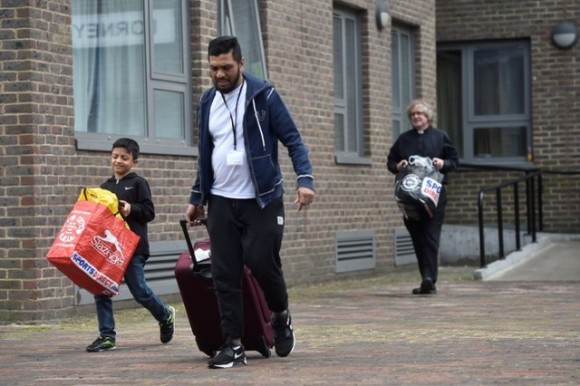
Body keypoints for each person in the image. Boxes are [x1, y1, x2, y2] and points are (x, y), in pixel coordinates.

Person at [185, 36, 315, 369]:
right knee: (224, 274)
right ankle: (233, 345)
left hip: (262, 200)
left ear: (241, 64)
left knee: (261, 262)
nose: (219, 74)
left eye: (226, 67)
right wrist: (197, 197)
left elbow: (293, 140)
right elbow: (206, 154)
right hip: (222, 202)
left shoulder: (264, 95)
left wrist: (305, 181)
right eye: (214, 68)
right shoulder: (207, 101)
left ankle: (280, 314)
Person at [86, 137, 175, 352]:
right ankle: (107, 336)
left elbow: (149, 212)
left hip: (133, 248)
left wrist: (130, 209)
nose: (118, 161)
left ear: (134, 161)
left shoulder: (138, 183)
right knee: (101, 290)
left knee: (139, 291)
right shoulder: (104, 187)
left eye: (124, 158)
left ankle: (165, 315)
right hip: (109, 249)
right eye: (115, 156)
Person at [387, 99, 458, 295]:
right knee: (417, 236)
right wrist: (398, 166)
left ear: (428, 116)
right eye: (413, 114)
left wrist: (442, 163)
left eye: (420, 113)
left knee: (430, 235)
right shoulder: (403, 139)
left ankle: (429, 278)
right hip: (409, 196)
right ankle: (425, 278)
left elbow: (454, 161)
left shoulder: (440, 136)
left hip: (434, 194)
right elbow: (391, 161)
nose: (416, 117)